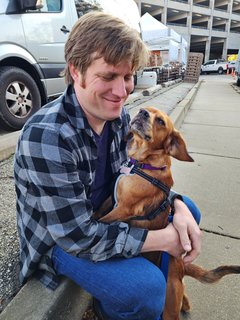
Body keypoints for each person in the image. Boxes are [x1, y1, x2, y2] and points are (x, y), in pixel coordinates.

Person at [14, 11, 201, 320]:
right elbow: (77, 236)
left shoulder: (117, 119)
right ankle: (114, 309)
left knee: (189, 212)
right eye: (108, 76)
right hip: (61, 241)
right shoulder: (47, 136)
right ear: (76, 71)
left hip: (105, 212)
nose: (121, 91)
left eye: (127, 77)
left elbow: (136, 178)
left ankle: (168, 282)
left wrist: (177, 205)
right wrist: (160, 238)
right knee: (146, 289)